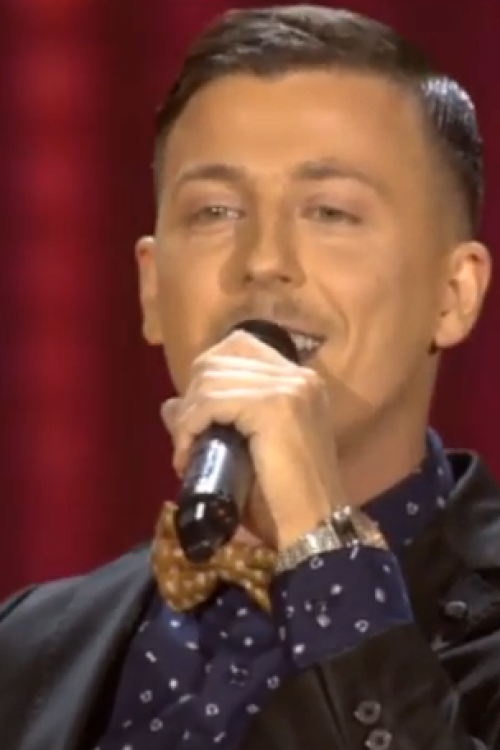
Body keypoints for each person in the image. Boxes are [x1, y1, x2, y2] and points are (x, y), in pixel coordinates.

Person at [1, 4, 499, 749]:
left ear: (453, 294)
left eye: (330, 212)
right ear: (151, 288)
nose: (263, 261)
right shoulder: (27, 646)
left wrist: (320, 542)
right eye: (216, 211)